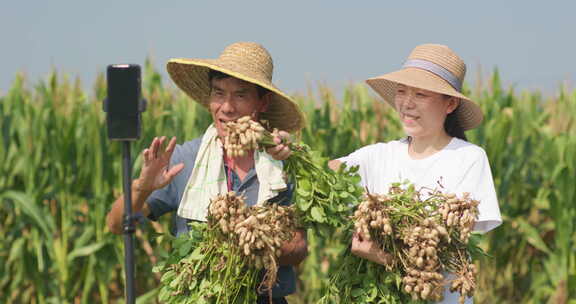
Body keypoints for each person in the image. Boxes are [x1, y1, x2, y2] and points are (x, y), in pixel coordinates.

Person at [106, 42, 308, 304]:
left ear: (263, 102)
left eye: (240, 95)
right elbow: (115, 224)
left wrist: (250, 241)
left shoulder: (282, 165)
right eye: (219, 93)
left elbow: (299, 247)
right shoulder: (184, 160)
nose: (227, 107)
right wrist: (143, 186)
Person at [328, 44, 502, 303]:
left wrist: (383, 256)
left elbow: (444, 252)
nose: (407, 104)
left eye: (420, 94)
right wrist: (289, 153)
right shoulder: (378, 155)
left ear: (450, 104)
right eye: (401, 91)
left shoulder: (468, 158)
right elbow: (328, 174)